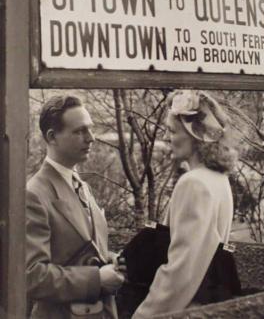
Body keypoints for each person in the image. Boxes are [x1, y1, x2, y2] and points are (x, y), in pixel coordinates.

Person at [132, 89, 239, 319]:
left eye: (172, 131)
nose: (168, 138)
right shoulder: (219, 179)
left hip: (185, 309)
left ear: (195, 134)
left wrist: (144, 314)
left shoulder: (194, 183)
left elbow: (182, 269)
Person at [26, 95, 125, 319]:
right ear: (52, 137)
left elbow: (80, 249)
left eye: (90, 129)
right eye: (79, 131)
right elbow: (32, 275)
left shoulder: (80, 184)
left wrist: (112, 260)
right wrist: (97, 279)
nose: (91, 138)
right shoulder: (34, 194)